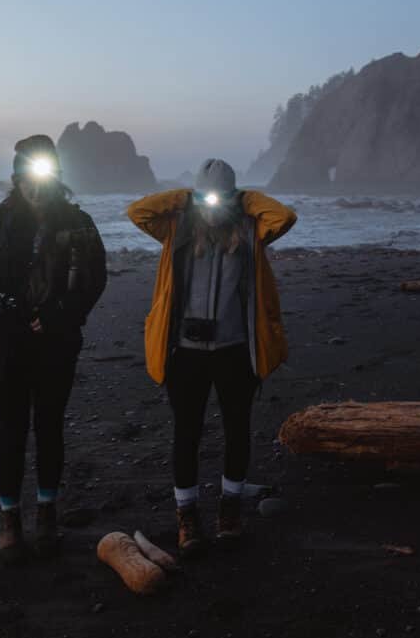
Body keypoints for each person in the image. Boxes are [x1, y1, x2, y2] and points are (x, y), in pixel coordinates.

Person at [126, 159, 296, 555]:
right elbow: (138, 211)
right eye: (203, 196)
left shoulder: (250, 230)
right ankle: (187, 517)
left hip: (236, 349)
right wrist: (186, 197)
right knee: (186, 433)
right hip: (185, 352)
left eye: (219, 197)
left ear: (235, 198)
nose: (211, 205)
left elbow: (284, 216)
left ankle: (230, 510)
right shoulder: (176, 228)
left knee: (237, 429)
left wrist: (245, 200)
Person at [0, 135, 107, 563]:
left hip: (57, 343)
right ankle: (9, 523)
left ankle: (46, 515)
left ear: (57, 177)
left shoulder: (79, 224)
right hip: (8, 345)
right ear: (17, 179)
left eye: (44, 177)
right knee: (11, 431)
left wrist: (63, 314)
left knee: (50, 428)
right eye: (27, 178)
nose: (36, 188)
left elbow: (95, 278)